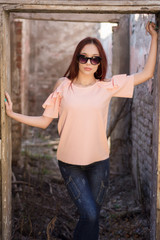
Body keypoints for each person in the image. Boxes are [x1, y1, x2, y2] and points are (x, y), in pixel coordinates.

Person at [5, 21, 157, 240]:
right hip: (70, 164)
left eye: (94, 59)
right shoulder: (62, 86)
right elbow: (44, 121)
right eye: (83, 57)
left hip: (100, 163)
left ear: (100, 63)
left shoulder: (107, 86)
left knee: (91, 217)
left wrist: (154, 37)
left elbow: (147, 73)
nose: (88, 62)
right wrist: (12, 114)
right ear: (77, 58)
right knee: (90, 215)